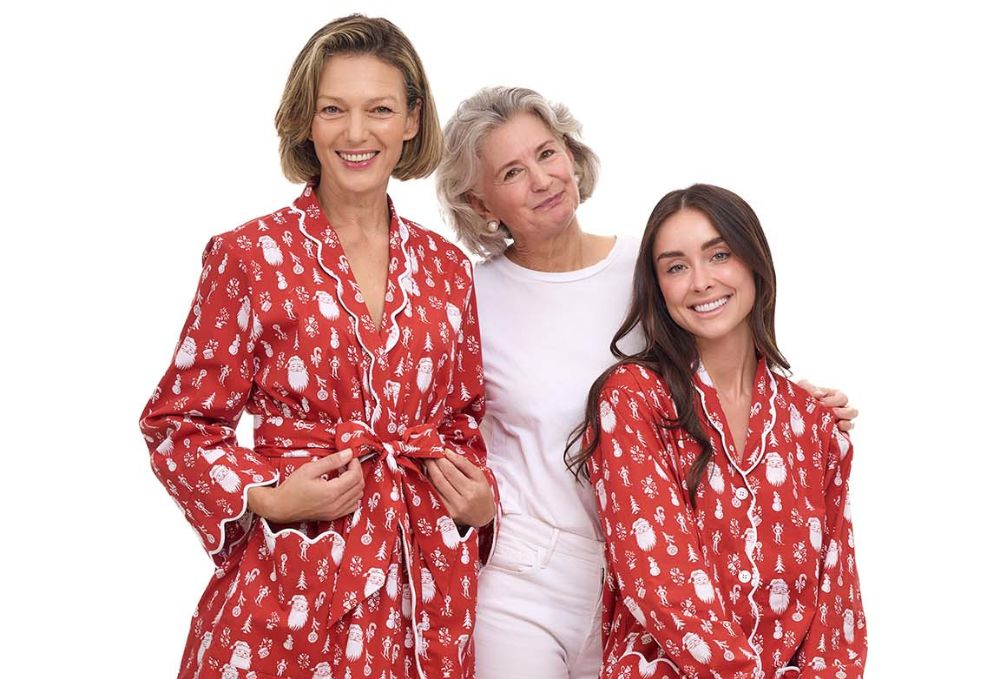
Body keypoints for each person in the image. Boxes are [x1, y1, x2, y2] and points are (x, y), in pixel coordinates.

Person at [436, 87, 858, 679]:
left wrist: (796, 405)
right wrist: (470, 507)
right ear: (480, 202)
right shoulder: (468, 300)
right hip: (530, 569)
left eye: (547, 153)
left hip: (663, 571)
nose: (542, 179)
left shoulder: (654, 267)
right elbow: (441, 424)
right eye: (512, 171)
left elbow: (722, 353)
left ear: (571, 153)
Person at [139, 16, 497, 679]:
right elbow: (177, 424)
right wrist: (270, 497)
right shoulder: (249, 256)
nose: (356, 133)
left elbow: (463, 423)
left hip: (420, 597)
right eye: (333, 109)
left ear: (412, 121)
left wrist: (479, 504)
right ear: (307, 120)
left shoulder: (448, 268)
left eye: (379, 109)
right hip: (289, 589)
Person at [570, 184, 866, 677]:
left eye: (719, 255)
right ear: (658, 288)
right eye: (676, 267)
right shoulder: (632, 399)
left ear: (754, 261)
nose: (701, 281)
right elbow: (659, 581)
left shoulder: (813, 422)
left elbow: (838, 605)